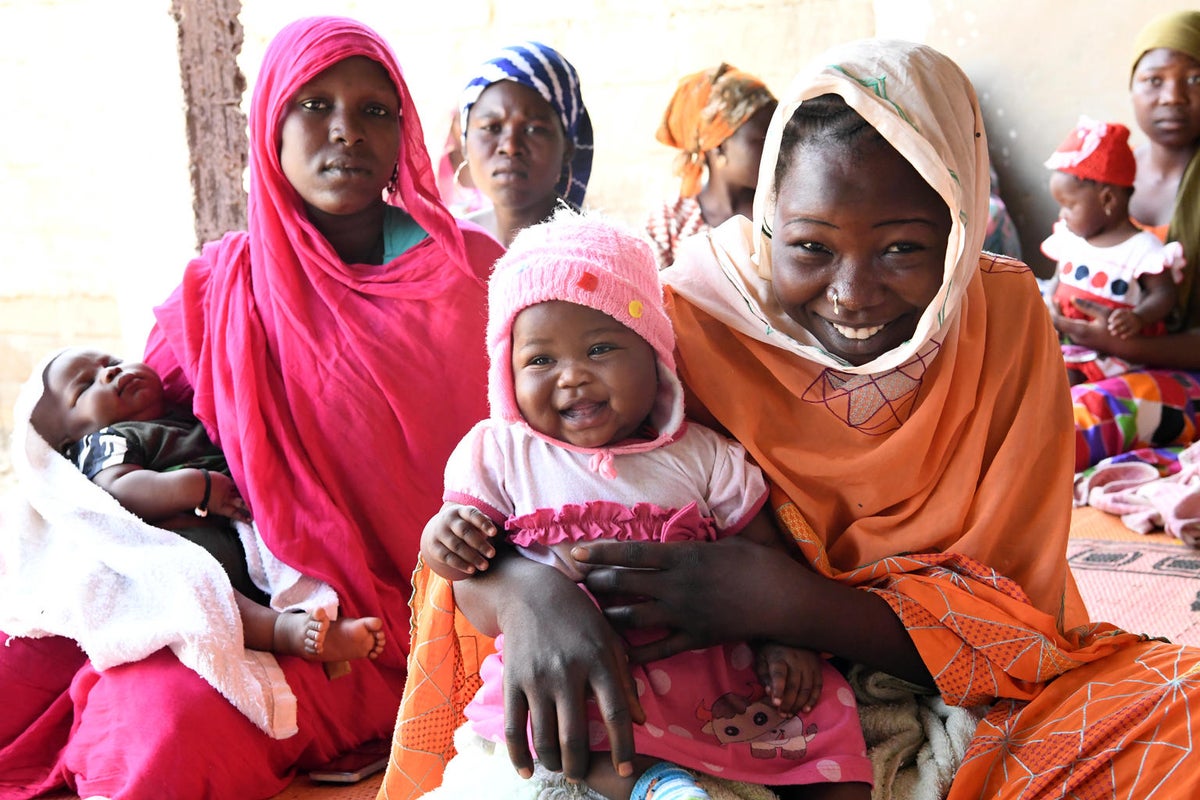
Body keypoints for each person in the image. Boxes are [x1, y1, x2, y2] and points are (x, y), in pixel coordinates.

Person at [382, 38, 1200, 800]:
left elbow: (1019, 615)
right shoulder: (688, 322)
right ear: (768, 217)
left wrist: (787, 606)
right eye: (809, 248)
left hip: (952, 690)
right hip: (701, 708)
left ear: (961, 220)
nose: (852, 293)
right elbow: (525, 493)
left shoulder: (1002, 311)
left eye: (904, 249)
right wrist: (526, 592)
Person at [0, 16, 502, 800]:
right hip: (261, 609)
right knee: (27, 665)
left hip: (423, 630)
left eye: (375, 109)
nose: (346, 131)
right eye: (314, 105)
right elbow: (111, 442)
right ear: (269, 124)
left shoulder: (473, 280)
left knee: (164, 730)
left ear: (403, 129)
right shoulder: (222, 289)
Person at [419, 209, 871, 800]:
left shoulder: (705, 455)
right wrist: (443, 537)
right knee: (546, 724)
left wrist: (782, 639)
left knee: (825, 711)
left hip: (709, 669)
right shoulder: (499, 454)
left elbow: (762, 555)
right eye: (540, 360)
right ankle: (656, 785)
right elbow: (466, 573)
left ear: (654, 356)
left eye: (601, 348)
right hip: (585, 668)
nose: (572, 377)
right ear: (506, 373)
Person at [29, 347, 387, 664]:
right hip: (185, 544)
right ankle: (285, 632)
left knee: (294, 550)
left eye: (113, 362)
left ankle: (321, 611)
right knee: (202, 589)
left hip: (237, 531)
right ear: (66, 440)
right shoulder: (104, 441)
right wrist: (194, 487)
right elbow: (119, 489)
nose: (108, 373)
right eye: (84, 386)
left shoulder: (180, 413)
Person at [1052, 11, 1200, 470]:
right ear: (1133, 89)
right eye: (1154, 81)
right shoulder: (1106, 178)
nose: (1172, 97)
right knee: (1005, 385)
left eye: (1196, 79)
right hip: (1096, 350)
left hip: (1184, 373)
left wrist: (1123, 343)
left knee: (1083, 415)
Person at [1041, 117, 1183, 385]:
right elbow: (1059, 277)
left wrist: (1138, 317)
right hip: (1065, 339)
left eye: (1069, 205)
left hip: (1109, 353)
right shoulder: (1071, 238)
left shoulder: (1143, 250)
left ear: (1107, 199)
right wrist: (1050, 299)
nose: (1062, 214)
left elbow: (1164, 294)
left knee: (1060, 383)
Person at [457, 41, 593, 247]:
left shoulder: (598, 252)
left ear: (567, 148)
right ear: (465, 144)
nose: (510, 146)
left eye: (534, 129)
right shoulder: (450, 246)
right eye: (491, 127)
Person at [645, 63, 777, 269]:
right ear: (719, 147)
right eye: (762, 138)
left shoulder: (782, 210)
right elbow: (650, 297)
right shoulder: (670, 222)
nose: (776, 148)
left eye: (778, 135)